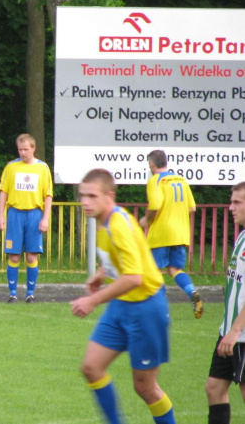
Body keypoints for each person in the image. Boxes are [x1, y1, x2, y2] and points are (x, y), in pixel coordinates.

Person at [71, 169, 176, 424]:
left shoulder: (119, 223)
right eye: (82, 195)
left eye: (92, 196)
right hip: (121, 306)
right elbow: (124, 258)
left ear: (109, 196)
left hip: (146, 308)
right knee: (91, 368)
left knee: (145, 388)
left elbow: (134, 277)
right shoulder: (103, 220)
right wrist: (101, 273)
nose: (85, 201)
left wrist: (93, 300)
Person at [139, 149, 203, 319]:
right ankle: (192, 292)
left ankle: (162, 312)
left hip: (161, 233)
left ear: (152, 165)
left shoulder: (155, 180)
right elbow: (192, 207)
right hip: (181, 233)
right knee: (175, 269)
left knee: (154, 271)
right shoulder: (181, 180)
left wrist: (146, 219)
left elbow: (156, 204)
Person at [205, 182, 245, 424]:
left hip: (240, 335)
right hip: (229, 332)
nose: (231, 207)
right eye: (231, 201)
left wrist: (235, 330)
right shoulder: (242, 236)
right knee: (214, 388)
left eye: (237, 202)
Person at [0, 133, 52, 303]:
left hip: (34, 214)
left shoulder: (42, 168)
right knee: (14, 256)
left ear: (33, 148)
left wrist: (46, 218)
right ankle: (13, 293)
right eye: (20, 149)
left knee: (31, 255)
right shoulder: (11, 166)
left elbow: (48, 194)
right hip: (15, 214)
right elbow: (3, 192)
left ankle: (30, 293)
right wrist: (1, 216)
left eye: (26, 149)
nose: (23, 153)